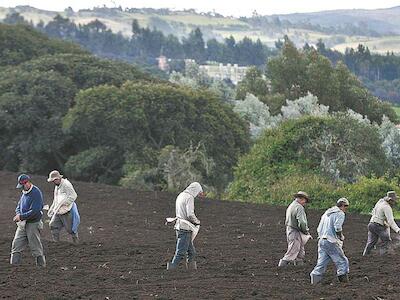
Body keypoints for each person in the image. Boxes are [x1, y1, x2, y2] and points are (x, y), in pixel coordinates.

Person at [310, 198, 350, 284]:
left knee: (322, 262)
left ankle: (315, 278)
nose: (346, 208)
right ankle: (343, 281)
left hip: (321, 240)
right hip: (331, 241)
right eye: (346, 206)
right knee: (342, 261)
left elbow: (319, 228)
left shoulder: (326, 213)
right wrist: (341, 236)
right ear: (342, 205)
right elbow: (337, 227)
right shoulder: (340, 213)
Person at [166, 182, 205, 271]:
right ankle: (171, 269)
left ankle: (191, 270)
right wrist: (197, 221)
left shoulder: (181, 195)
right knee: (180, 252)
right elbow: (190, 214)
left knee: (191, 252)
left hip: (179, 226)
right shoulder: (189, 197)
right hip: (185, 228)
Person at [10, 174, 46, 267]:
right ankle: (14, 266)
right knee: (16, 244)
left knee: (35, 246)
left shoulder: (36, 193)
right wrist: (18, 214)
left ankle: (41, 267)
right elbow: (19, 205)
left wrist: (21, 217)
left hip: (33, 223)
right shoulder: (24, 192)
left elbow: (35, 211)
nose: (22, 188)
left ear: (28, 182)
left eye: (23, 185)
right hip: (23, 224)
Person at [278, 191, 312, 267]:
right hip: (295, 231)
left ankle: (299, 264)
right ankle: (282, 265)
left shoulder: (291, 205)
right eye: (304, 201)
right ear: (301, 199)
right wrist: (305, 231)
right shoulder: (299, 207)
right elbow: (302, 222)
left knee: (300, 249)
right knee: (293, 250)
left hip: (290, 229)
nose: (305, 203)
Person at [47, 170, 80, 244]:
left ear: (57, 179)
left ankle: (76, 243)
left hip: (66, 211)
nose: (53, 182)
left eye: (53, 181)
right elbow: (56, 199)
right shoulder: (57, 186)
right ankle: (56, 243)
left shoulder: (66, 184)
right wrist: (52, 208)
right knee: (53, 225)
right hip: (58, 211)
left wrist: (64, 203)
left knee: (71, 229)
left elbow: (73, 196)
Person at [363, 191, 400, 256]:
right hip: (377, 226)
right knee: (386, 240)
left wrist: (384, 222)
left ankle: (366, 254)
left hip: (371, 224)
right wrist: (398, 230)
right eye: (394, 200)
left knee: (372, 241)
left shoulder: (380, 202)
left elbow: (375, 212)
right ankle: (383, 255)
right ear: (390, 200)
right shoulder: (387, 207)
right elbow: (391, 221)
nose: (395, 202)